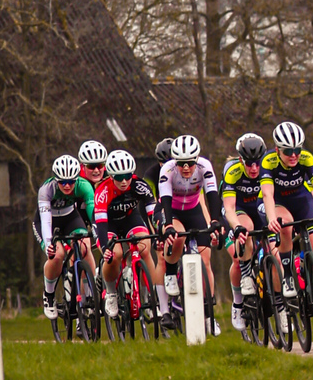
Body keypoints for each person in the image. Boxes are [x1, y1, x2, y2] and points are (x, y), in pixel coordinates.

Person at [262, 119, 313, 312]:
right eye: (288, 151)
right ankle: (288, 275)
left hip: (302, 200)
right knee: (285, 225)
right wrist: (272, 218)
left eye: (297, 150)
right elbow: (267, 194)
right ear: (277, 149)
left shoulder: (306, 158)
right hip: (280, 203)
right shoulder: (268, 161)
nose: (294, 155)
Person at [159, 134, 220, 328]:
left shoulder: (205, 166)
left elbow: (212, 194)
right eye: (181, 163)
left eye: (190, 163)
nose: (186, 168)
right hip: (172, 211)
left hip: (193, 211)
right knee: (177, 237)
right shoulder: (167, 170)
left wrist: (216, 221)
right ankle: (170, 272)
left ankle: (210, 316)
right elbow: (166, 199)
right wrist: (167, 225)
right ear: (175, 161)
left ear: (197, 160)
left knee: (206, 261)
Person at [97, 147, 161, 320]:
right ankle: (111, 294)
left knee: (145, 246)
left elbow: (152, 212)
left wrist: (160, 230)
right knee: (114, 255)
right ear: (111, 176)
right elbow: (101, 225)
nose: (124, 181)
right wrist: (105, 247)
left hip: (130, 219)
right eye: (119, 177)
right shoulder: (103, 191)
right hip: (108, 224)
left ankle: (148, 297)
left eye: (127, 176)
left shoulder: (139, 185)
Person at [40, 152, 97, 321]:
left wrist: (96, 229)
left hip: (70, 217)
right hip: (50, 220)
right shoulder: (46, 189)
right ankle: (49, 296)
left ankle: (88, 296)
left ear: (76, 179)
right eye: (62, 182)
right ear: (56, 180)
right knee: (57, 255)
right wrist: (49, 242)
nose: (66, 186)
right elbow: (45, 221)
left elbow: (93, 211)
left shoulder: (84, 185)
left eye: (71, 182)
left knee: (84, 247)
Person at [220, 132, 271, 310]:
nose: (255, 168)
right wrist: (237, 227)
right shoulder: (231, 170)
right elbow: (229, 208)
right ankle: (238, 300)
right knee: (238, 252)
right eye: (249, 164)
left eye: (258, 162)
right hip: (237, 211)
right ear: (241, 160)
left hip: (258, 208)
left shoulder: (268, 166)